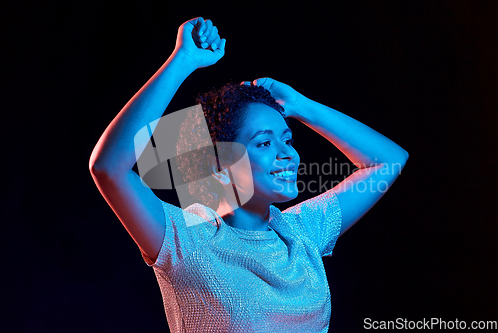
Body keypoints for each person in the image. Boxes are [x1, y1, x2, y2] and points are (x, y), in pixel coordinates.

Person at [89, 17, 408, 333]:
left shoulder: (302, 231)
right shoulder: (188, 241)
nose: (288, 154)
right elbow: (108, 168)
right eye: (265, 142)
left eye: (287, 139)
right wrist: (183, 61)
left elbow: (389, 161)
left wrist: (300, 106)